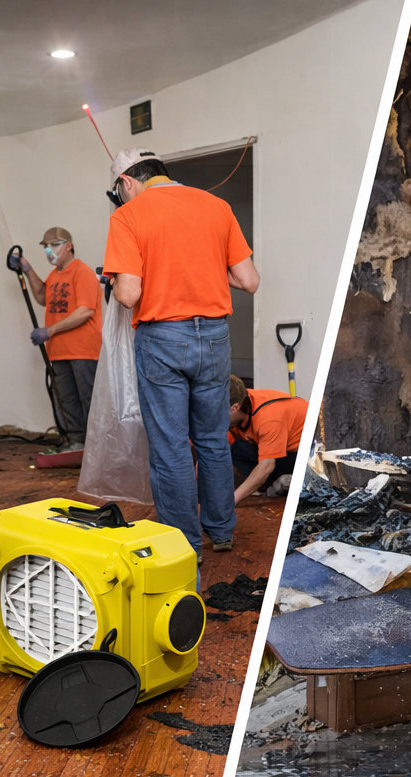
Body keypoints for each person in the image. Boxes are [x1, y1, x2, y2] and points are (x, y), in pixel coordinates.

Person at [102, 148, 259, 558]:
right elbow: (249, 279)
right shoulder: (217, 206)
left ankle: (182, 541)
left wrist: (119, 280)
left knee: (171, 445)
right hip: (214, 338)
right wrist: (202, 265)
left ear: (127, 182)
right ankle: (222, 531)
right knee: (212, 439)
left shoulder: (127, 216)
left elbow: (129, 293)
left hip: (163, 338)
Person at [18, 227, 102, 451]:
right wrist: (27, 269)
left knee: (89, 399)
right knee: (66, 400)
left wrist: (50, 330)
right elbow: (42, 296)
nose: (49, 251)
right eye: (46, 247)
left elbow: (85, 311)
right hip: (59, 351)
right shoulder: (54, 276)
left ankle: (98, 447)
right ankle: (77, 443)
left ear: (68, 246)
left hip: (83, 350)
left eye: (54, 245)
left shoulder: (81, 272)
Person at [227, 376, 307, 504]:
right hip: (280, 450)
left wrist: (231, 501)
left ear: (234, 408)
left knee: (261, 463)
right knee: (236, 449)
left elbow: (267, 465)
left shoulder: (269, 418)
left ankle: (291, 480)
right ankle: (260, 484)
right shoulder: (238, 397)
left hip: (305, 456)